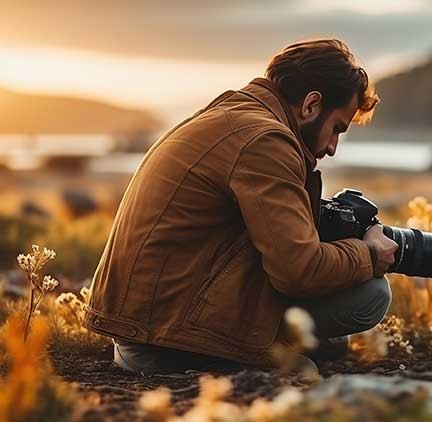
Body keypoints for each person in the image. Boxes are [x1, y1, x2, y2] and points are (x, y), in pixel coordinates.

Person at [83, 39, 399, 375]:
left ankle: (250, 344)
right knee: (371, 294)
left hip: (144, 320)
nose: (333, 147)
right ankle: (210, 358)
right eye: (337, 128)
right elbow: (299, 270)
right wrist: (367, 254)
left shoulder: (231, 116)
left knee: (332, 341)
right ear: (311, 105)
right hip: (162, 338)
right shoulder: (265, 141)